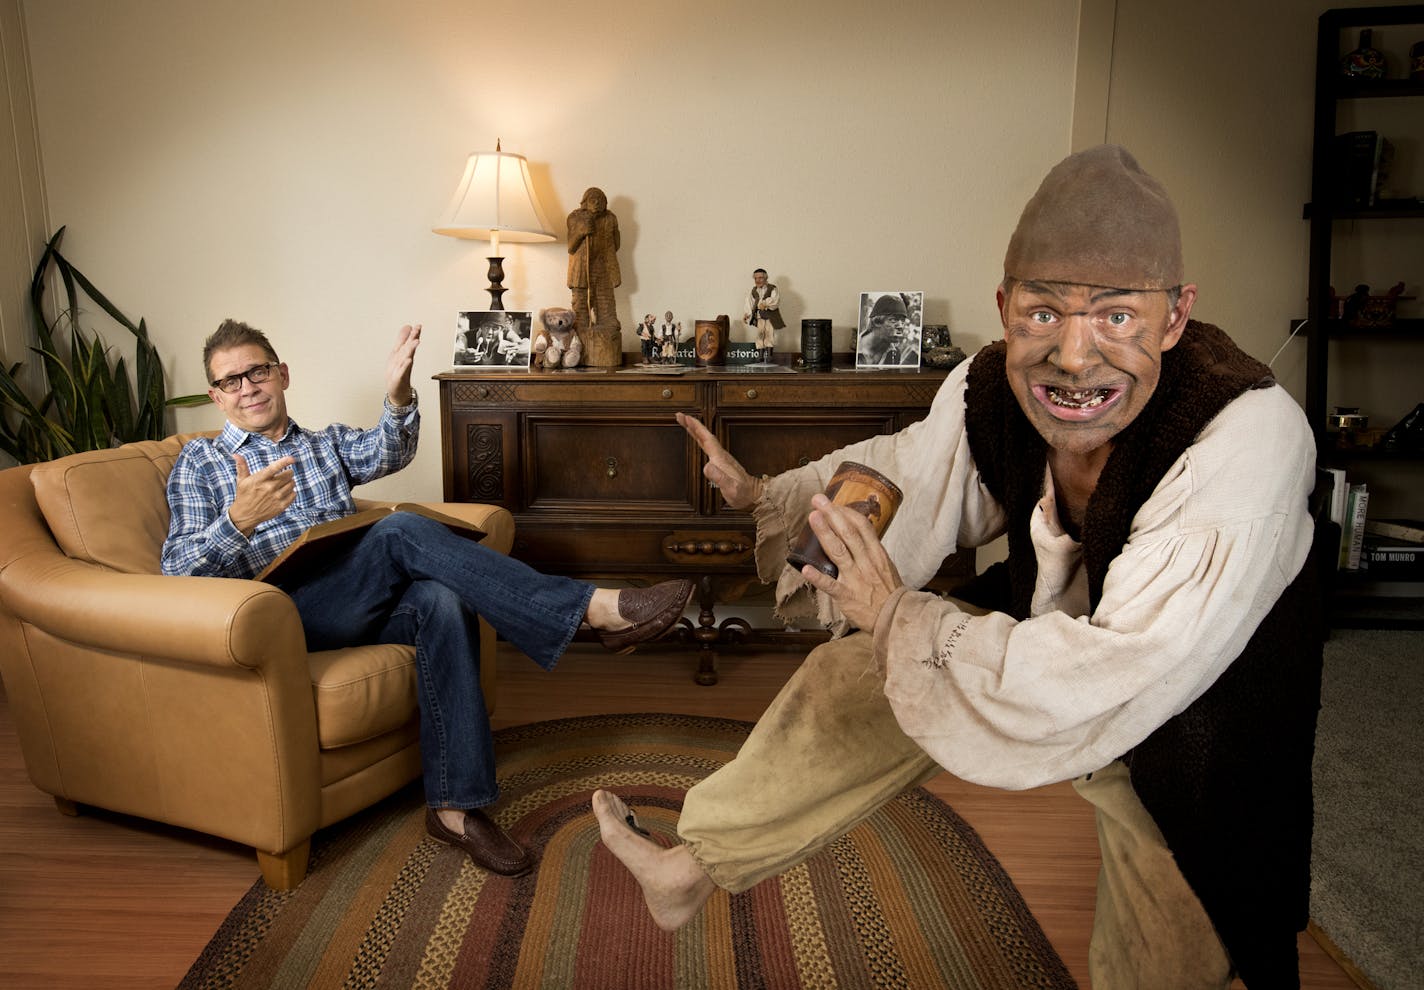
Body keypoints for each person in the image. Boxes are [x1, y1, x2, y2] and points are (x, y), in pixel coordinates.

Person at [593, 146, 1323, 988]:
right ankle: (686, 873)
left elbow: (1125, 665)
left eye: (1117, 317)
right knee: (852, 678)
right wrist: (767, 495)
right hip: (1058, 632)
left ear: (1175, 315)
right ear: (1006, 307)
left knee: (1177, 924)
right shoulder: (990, 389)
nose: (1076, 358)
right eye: (1044, 314)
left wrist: (903, 616)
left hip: (1191, 699)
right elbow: (909, 467)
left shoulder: (1244, 437)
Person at [162, 319, 693, 878]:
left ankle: (455, 810)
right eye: (231, 381)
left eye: (257, 371)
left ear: (282, 374)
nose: (247, 387)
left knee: (441, 598)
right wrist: (238, 521)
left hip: (360, 604)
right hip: (284, 618)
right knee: (395, 528)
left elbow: (391, 449)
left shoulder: (325, 444)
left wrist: (397, 392)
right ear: (217, 396)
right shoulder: (199, 465)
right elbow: (176, 573)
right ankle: (588, 611)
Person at [567, 187, 622, 337]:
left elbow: (616, 244)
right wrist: (581, 231)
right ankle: (581, 326)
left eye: (600, 200)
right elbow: (571, 246)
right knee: (581, 301)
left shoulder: (610, 218)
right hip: (582, 268)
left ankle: (607, 323)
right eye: (593, 200)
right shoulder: (575, 217)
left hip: (603, 265)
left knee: (605, 299)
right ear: (585, 202)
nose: (597, 203)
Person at [856, 293, 911, 366]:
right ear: (877, 322)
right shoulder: (855, 347)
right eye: (893, 320)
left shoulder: (895, 354)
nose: (901, 326)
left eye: (903, 321)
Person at [743, 268, 784, 361]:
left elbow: (775, 301)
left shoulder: (772, 288)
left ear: (766, 278)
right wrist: (747, 314)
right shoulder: (753, 291)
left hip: (770, 316)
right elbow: (749, 303)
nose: (758, 280)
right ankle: (760, 354)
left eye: (760, 278)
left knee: (769, 333)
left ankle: (769, 354)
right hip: (760, 316)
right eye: (756, 278)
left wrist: (765, 304)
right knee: (760, 334)